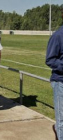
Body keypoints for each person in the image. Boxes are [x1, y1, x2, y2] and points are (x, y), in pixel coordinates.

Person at [46, 9, 63, 140]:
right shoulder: (58, 36)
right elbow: (50, 59)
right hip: (60, 82)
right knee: (62, 119)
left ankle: (57, 130)